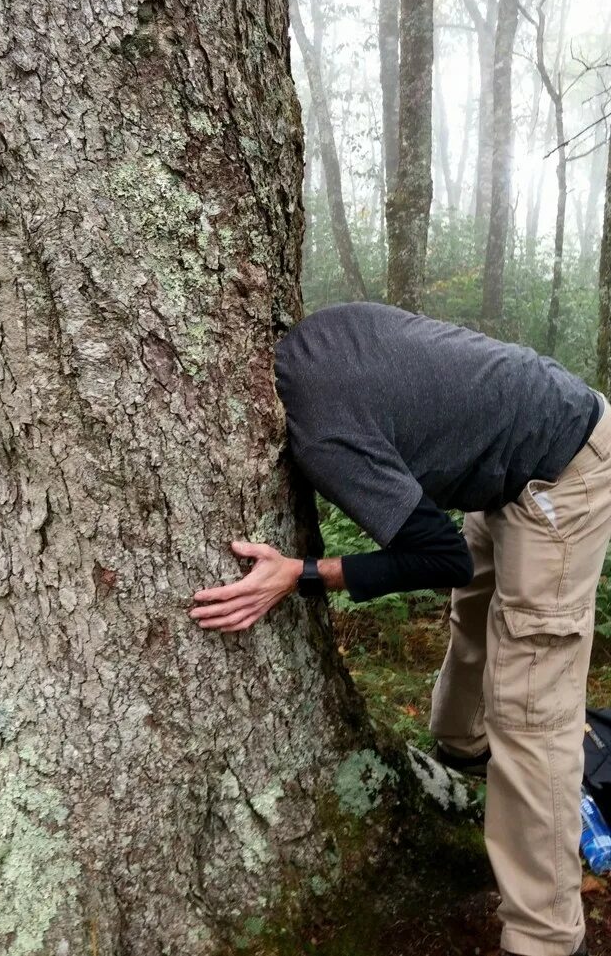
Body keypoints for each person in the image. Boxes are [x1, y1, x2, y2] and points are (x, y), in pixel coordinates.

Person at [189, 301, 611, 956]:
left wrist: (301, 572)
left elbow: (440, 555)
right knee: (476, 619)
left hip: (563, 464)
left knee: (531, 706)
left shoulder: (322, 435)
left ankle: (547, 937)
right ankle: (466, 744)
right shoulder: (307, 339)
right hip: (507, 453)